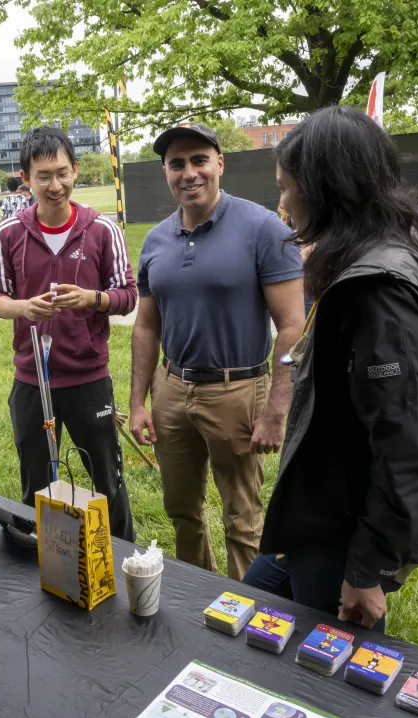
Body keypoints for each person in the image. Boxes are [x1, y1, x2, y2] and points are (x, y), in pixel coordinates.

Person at [244, 106, 418, 632]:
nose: (282, 204)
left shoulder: (377, 291)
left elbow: (408, 442)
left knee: (329, 675)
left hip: (347, 528)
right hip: (317, 508)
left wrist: (368, 570)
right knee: (248, 608)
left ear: (326, 189)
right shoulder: (354, 262)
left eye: (287, 188)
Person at [128, 123, 306, 580]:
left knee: (242, 521)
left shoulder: (263, 228)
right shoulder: (156, 240)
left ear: (219, 164)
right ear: (165, 172)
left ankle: (246, 618)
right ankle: (196, 601)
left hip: (237, 390)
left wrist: (275, 411)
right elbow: (146, 326)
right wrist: (137, 402)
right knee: (182, 511)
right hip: (171, 390)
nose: (189, 173)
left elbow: (291, 325)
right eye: (176, 164)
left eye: (199, 160)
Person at [0, 127, 137, 542]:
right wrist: (23, 307)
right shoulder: (9, 233)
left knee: (107, 481)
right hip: (32, 380)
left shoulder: (102, 230)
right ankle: (45, 560)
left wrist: (91, 298)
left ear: (75, 170)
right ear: (25, 178)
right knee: (36, 482)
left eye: (63, 173)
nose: (55, 185)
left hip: (88, 379)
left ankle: (122, 555)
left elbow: (128, 295)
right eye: (43, 176)